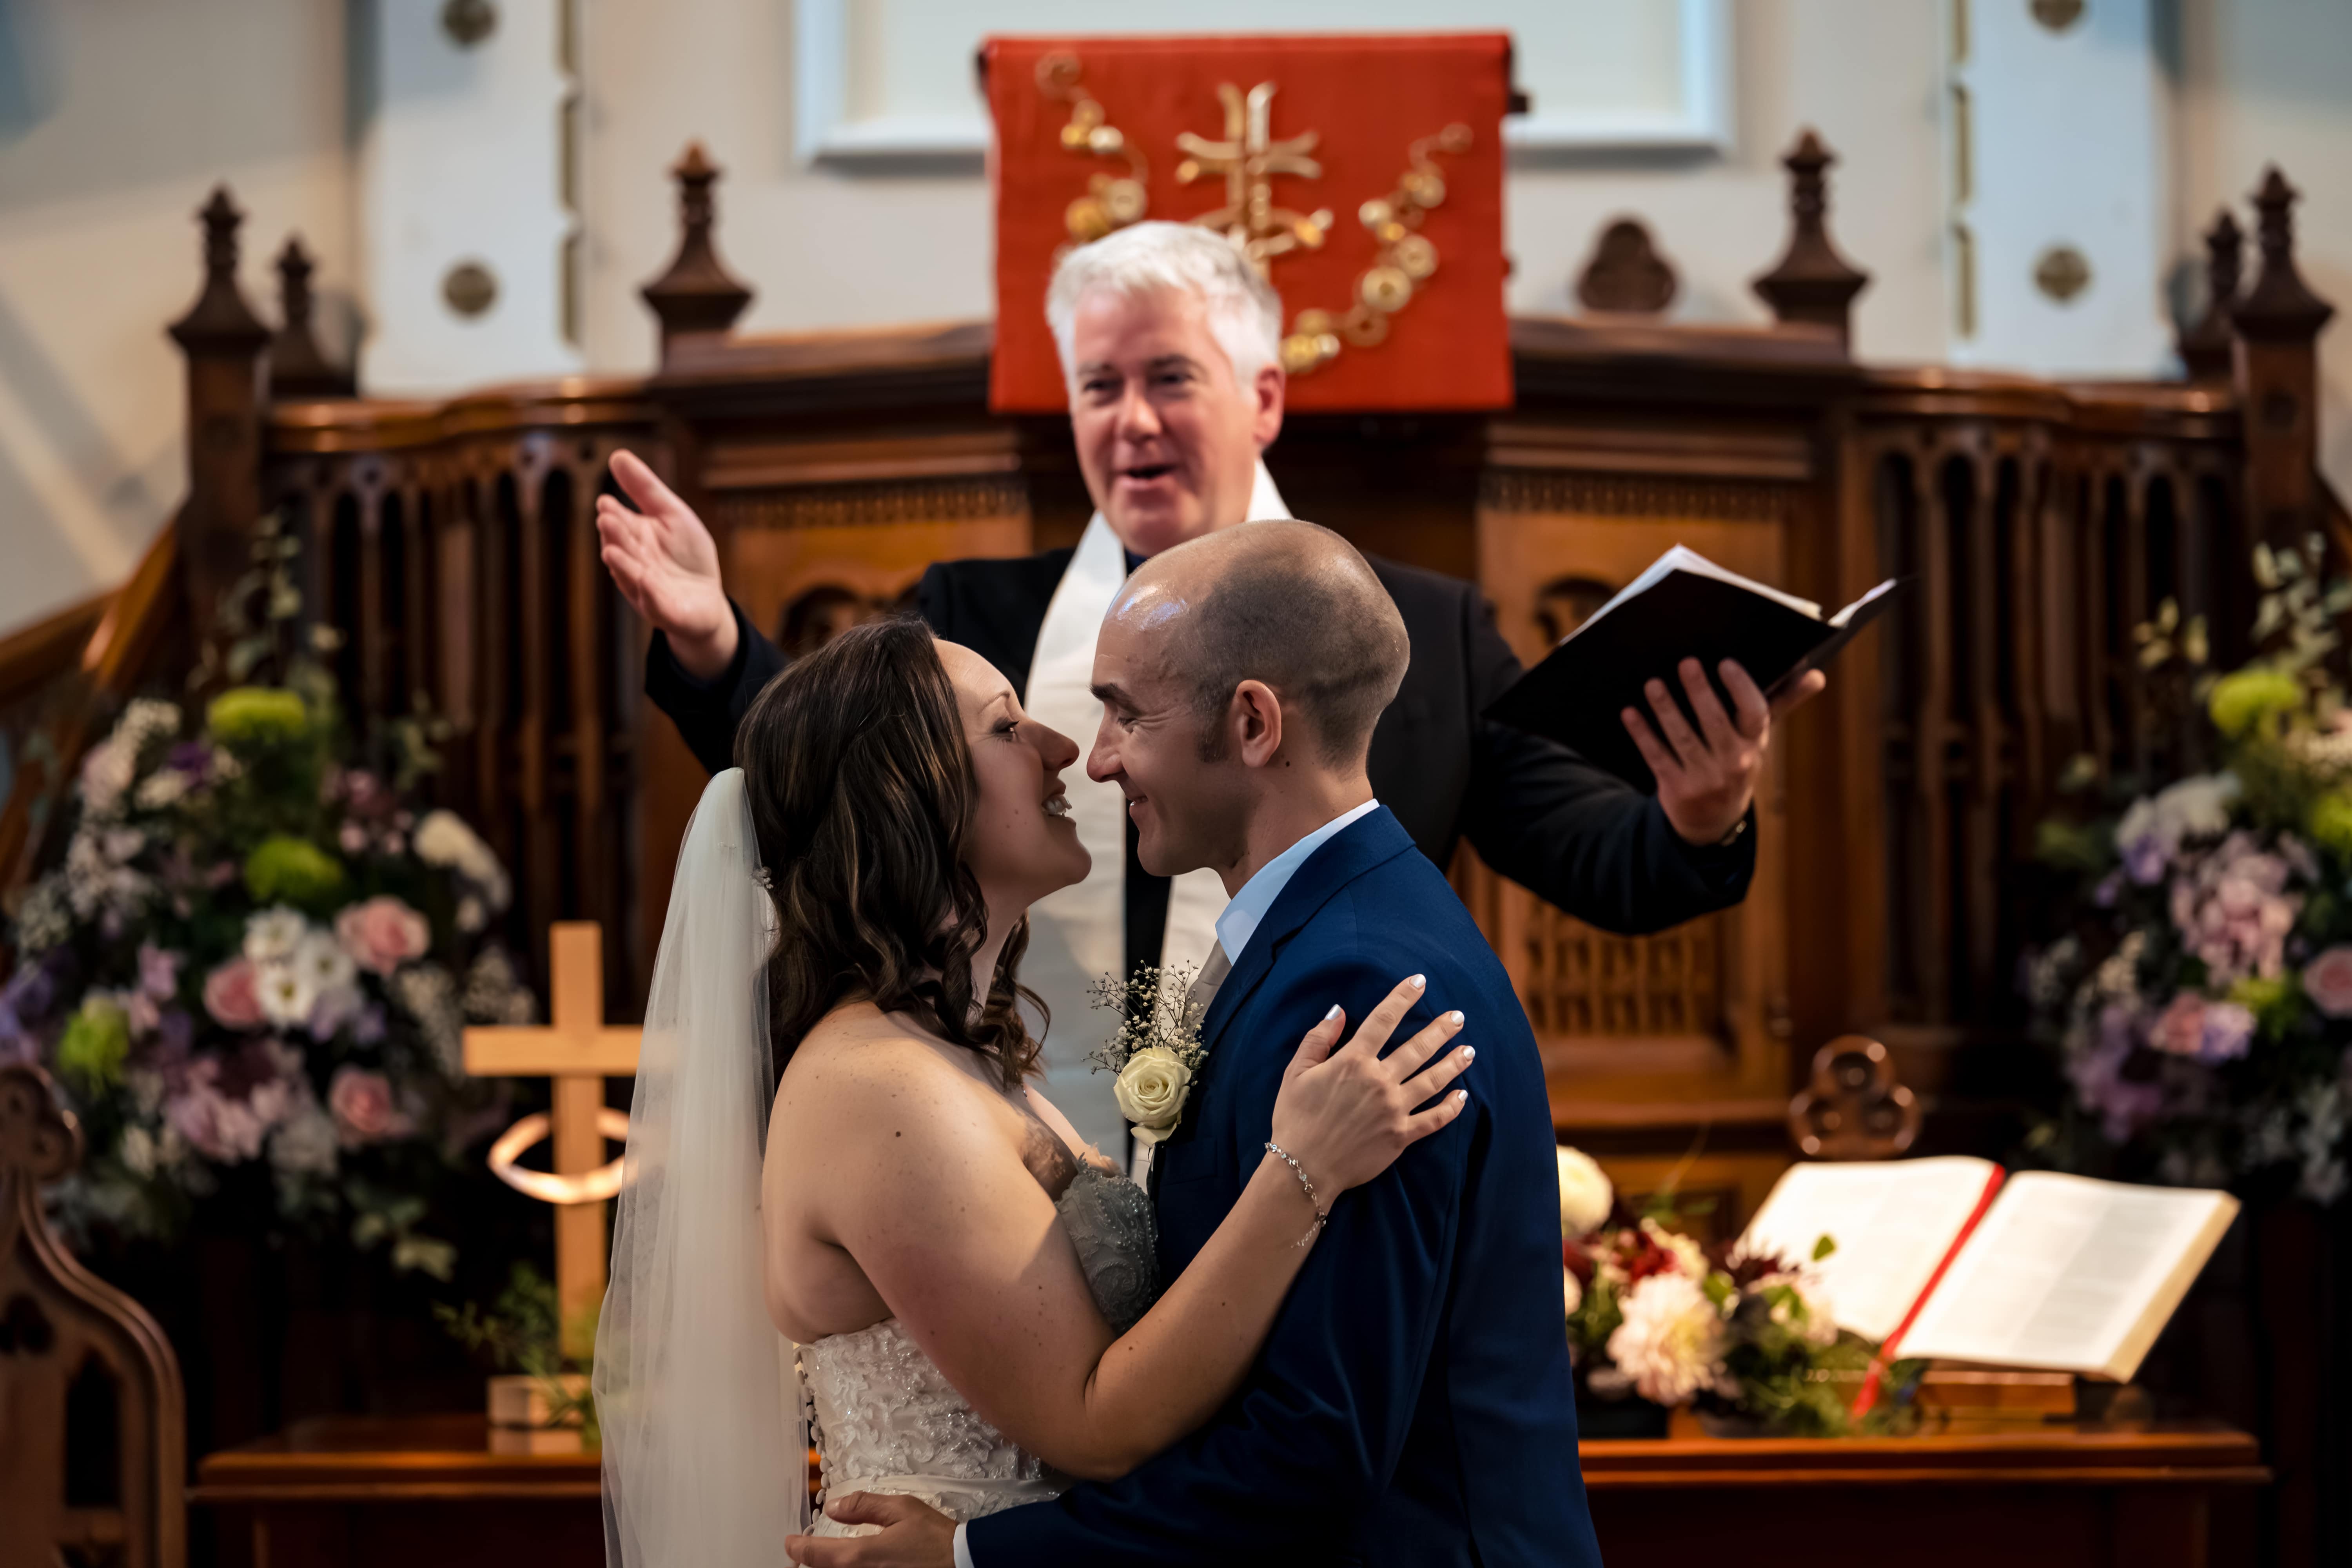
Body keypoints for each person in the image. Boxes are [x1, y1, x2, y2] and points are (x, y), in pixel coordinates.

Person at [598, 220, 1824, 1156]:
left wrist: (1698, 820)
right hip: (1024, 1161)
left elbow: (1593, 856)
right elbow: (833, 787)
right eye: (1099, 386)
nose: (1132, 422)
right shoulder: (980, 620)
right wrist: (713, 644)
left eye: (1171, 379)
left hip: (1315, 1158)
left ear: (1265, 397)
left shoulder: (1413, 632)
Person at [787, 520, 1595, 1567]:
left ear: (1252, 724)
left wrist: (970, 1560)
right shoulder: (1327, 940)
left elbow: (1313, 1448)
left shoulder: (1356, 984)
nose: (1095, 752)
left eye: (1123, 709)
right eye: (1020, 727)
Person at [595, 614, 1474, 1565]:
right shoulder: (880, 1089)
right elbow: (1095, 1421)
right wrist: (1302, 1167)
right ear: (906, 795)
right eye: (1008, 727)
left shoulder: (951, 1056)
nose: (1068, 752)